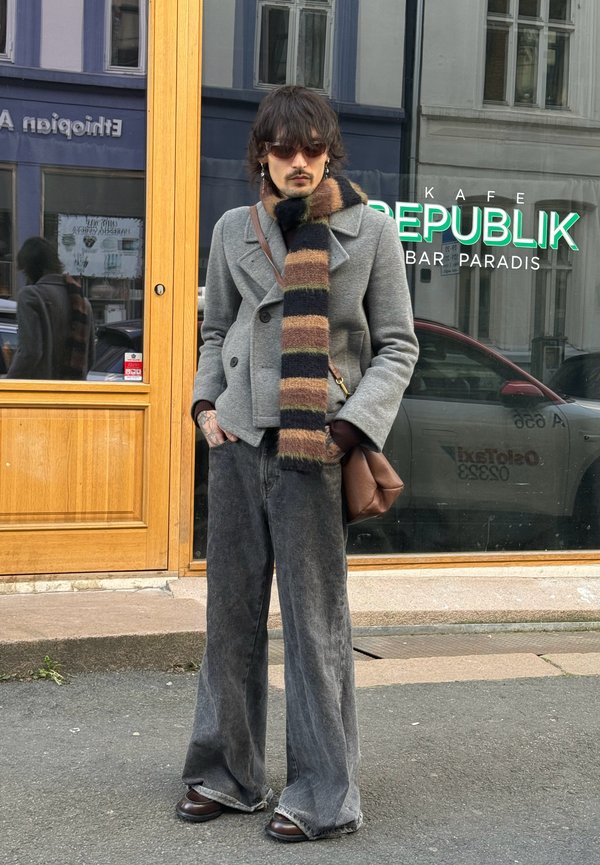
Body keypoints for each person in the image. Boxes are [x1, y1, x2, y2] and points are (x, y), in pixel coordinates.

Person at [177, 85, 419, 843]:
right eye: (284, 150)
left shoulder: (370, 230)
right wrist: (205, 407)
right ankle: (228, 773)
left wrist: (349, 428)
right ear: (263, 154)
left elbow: (399, 346)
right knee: (230, 616)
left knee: (315, 625)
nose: (300, 163)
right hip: (240, 442)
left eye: (313, 149)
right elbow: (214, 329)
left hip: (316, 448)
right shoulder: (232, 230)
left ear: (329, 152)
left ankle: (324, 792)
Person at [6, 236, 95, 379]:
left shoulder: (31, 296)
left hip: (39, 389)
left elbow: (30, 353)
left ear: (30, 269)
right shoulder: (83, 303)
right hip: (72, 389)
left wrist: (8, 384)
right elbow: (89, 358)